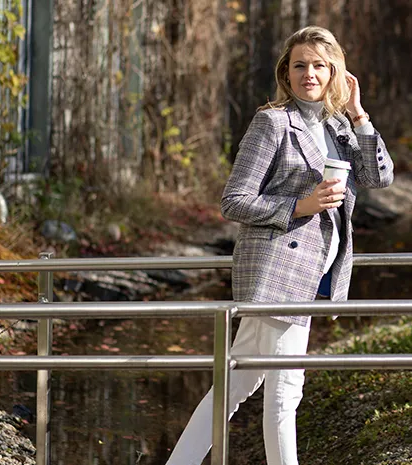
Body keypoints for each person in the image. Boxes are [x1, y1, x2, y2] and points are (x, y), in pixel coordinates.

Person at [164, 26, 394, 465]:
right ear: (285, 74)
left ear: (336, 73)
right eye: (300, 65)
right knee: (282, 391)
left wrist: (360, 113)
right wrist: (300, 205)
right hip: (277, 271)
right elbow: (234, 200)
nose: (309, 73)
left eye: (320, 66)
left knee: (240, 384)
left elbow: (379, 176)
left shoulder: (341, 127)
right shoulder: (272, 122)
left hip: (315, 274)